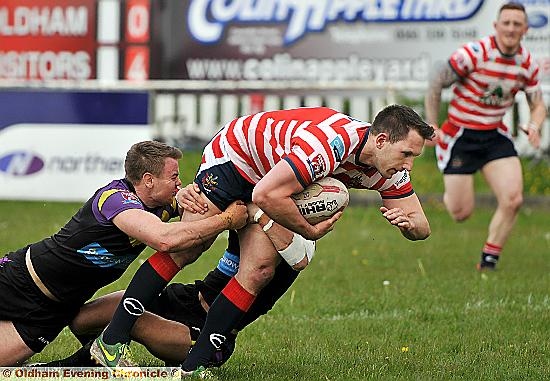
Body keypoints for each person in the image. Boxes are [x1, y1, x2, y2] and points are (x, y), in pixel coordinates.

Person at [94, 104, 434, 376]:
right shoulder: (330, 144)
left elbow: (422, 225)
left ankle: (194, 367)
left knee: (258, 271)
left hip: (270, 183)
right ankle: (112, 341)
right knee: (188, 246)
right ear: (381, 141)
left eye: (414, 157)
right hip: (236, 159)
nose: (408, 164)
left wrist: (409, 226)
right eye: (406, 153)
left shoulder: (389, 169)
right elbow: (266, 194)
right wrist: (309, 230)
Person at [0, 140, 247, 366]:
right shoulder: (115, 199)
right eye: (173, 177)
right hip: (17, 281)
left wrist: (186, 197)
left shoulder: (160, 204)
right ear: (149, 180)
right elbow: (165, 239)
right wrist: (226, 220)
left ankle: (87, 359)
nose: (179, 182)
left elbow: (185, 212)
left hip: (54, 311)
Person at [39, 230, 303, 368]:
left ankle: (78, 365)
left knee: (134, 321)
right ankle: (99, 358)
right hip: (183, 297)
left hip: (208, 331)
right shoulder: (254, 204)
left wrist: (256, 210)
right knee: (82, 319)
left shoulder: (296, 243)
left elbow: (290, 248)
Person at [424, 2, 547, 271]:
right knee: (461, 213)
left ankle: (488, 260)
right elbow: (437, 80)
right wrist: (432, 124)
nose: (511, 29)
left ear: (525, 29)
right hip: (461, 137)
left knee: (513, 198)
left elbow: (538, 104)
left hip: (494, 136)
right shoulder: (475, 53)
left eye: (517, 24)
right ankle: (451, 192)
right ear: (496, 26)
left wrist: (535, 126)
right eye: (507, 23)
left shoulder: (526, 64)